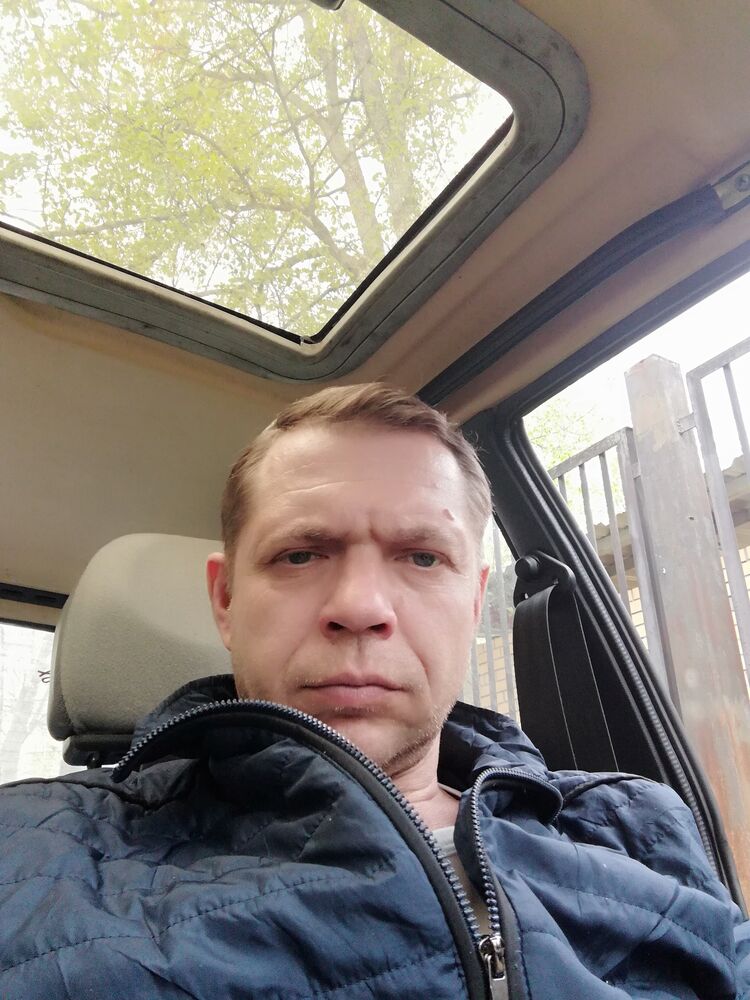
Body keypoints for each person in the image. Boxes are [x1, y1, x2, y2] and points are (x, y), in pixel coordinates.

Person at [0, 383, 748, 999]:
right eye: (300, 555)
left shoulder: (634, 825)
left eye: (422, 557)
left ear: (474, 599)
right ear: (225, 601)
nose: (360, 606)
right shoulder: (30, 849)